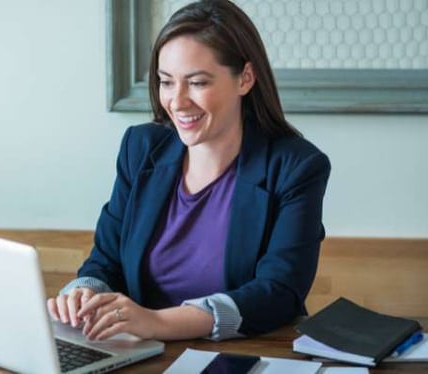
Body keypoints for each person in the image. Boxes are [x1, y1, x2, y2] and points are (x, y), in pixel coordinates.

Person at [47, 0, 330, 342]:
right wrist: (84, 291)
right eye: (167, 82)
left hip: (244, 356)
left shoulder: (296, 167)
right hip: (140, 354)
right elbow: (106, 261)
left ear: (245, 78)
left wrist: (158, 322)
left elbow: (280, 293)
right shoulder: (141, 149)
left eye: (196, 83)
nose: (177, 101)